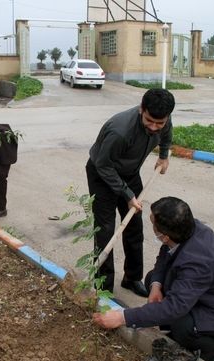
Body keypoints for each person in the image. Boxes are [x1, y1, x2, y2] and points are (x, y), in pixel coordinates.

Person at [93, 197, 214, 361]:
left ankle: (211, 348)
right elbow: (165, 254)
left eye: (153, 223)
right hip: (207, 294)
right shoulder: (188, 228)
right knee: (153, 279)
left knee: (181, 323)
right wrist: (156, 286)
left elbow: (173, 308)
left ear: (165, 236)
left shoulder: (197, 263)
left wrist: (122, 317)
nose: (152, 224)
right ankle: (182, 326)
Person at [86, 88, 175, 296]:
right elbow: (103, 165)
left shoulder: (163, 121)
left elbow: (166, 134)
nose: (154, 127)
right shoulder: (120, 130)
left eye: (159, 123)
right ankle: (104, 288)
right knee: (105, 231)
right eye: (149, 120)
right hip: (102, 174)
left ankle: (132, 278)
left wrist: (163, 155)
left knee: (134, 225)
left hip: (130, 173)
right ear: (141, 109)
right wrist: (127, 195)